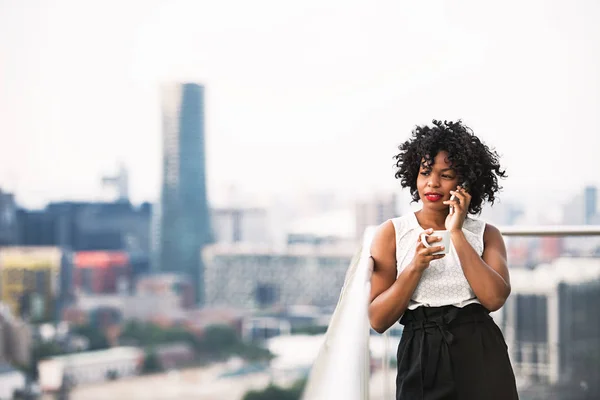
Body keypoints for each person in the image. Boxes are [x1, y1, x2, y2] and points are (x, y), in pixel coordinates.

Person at [368, 120, 519, 400]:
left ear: (466, 181)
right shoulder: (392, 232)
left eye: (445, 174)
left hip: (480, 348)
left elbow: (494, 299)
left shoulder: (487, 234)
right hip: (421, 350)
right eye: (425, 173)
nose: (432, 183)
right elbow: (377, 319)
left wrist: (456, 233)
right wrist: (415, 267)